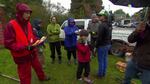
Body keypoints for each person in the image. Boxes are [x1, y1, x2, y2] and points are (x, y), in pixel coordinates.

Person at [4, 3, 50, 84]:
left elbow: (31, 37)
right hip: (21, 56)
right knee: (25, 75)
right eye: (26, 13)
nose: (28, 15)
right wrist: (25, 47)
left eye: (29, 13)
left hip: (32, 52)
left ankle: (42, 77)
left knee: (38, 66)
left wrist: (38, 40)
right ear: (20, 13)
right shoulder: (10, 25)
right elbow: (8, 44)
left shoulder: (28, 24)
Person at [122, 11, 150, 84]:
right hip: (135, 60)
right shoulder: (144, 26)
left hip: (148, 66)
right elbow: (130, 40)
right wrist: (137, 31)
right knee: (126, 79)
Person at [96, 10, 112, 78]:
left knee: (101, 60)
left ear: (104, 17)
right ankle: (104, 73)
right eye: (98, 15)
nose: (99, 16)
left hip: (102, 45)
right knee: (105, 59)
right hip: (108, 44)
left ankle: (100, 74)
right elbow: (110, 35)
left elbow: (99, 38)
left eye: (100, 15)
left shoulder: (102, 25)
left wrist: (96, 46)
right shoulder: (109, 24)